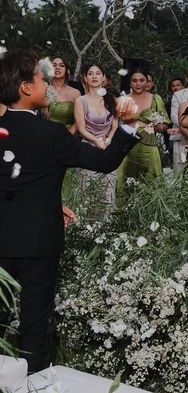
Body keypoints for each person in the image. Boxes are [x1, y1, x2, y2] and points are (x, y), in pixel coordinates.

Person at [0, 48, 138, 373]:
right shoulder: (51, 133)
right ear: (25, 87)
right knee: (34, 324)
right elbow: (104, 161)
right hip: (39, 242)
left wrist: (52, 200)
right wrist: (128, 126)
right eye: (40, 79)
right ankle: (30, 379)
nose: (47, 85)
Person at [116, 69, 171, 203]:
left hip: (149, 145)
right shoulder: (122, 100)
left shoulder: (155, 99)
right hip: (128, 147)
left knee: (152, 181)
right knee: (125, 183)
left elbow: (165, 125)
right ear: (130, 83)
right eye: (134, 81)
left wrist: (158, 127)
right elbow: (114, 124)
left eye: (142, 80)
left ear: (148, 82)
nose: (138, 83)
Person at [74, 63, 119, 202]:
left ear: (104, 77)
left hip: (108, 147)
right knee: (88, 193)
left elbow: (115, 124)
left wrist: (109, 139)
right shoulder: (80, 100)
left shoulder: (111, 99)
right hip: (88, 148)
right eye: (90, 73)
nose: (94, 76)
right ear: (85, 78)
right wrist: (96, 140)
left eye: (98, 73)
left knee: (108, 191)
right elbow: (81, 128)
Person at [48, 56, 80, 134]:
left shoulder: (75, 93)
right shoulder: (42, 89)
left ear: (67, 71)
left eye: (61, 65)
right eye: (54, 65)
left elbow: (79, 120)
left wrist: (68, 135)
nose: (57, 68)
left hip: (67, 135)